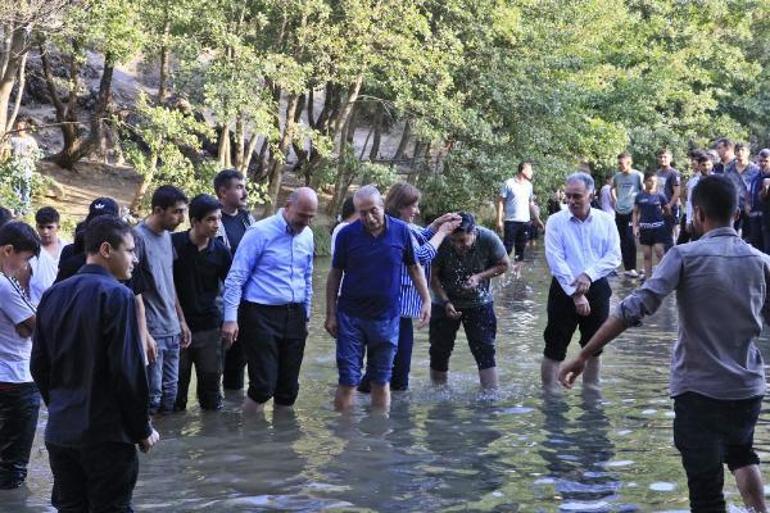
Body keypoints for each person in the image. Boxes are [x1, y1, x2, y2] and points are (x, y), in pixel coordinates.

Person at [559, 175, 768, 513]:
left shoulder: (685, 255)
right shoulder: (761, 261)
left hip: (698, 391)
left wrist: (583, 355)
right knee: (743, 453)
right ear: (738, 214)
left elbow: (633, 308)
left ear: (697, 214)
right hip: (747, 389)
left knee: (706, 494)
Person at [31, 216, 159, 511]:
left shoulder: (52, 294)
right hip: (106, 436)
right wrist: (141, 428)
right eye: (129, 250)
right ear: (105, 249)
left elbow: (38, 365)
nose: (135, 259)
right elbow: (127, 372)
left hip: (61, 433)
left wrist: (61, 406)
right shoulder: (118, 296)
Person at [325, 185, 431, 411]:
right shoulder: (347, 234)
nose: (369, 217)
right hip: (350, 317)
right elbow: (335, 274)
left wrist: (426, 300)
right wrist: (331, 314)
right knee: (348, 380)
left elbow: (414, 267)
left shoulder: (402, 231)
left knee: (381, 381)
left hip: (386, 317)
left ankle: (379, 437)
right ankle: (346, 438)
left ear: (383, 206)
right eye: (363, 213)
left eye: (373, 210)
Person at [222, 188, 317, 414]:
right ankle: (248, 437)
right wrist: (230, 319)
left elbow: (307, 277)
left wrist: (306, 314)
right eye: (302, 215)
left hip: (294, 314)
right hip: (259, 314)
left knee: (288, 389)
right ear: (288, 205)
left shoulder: (308, 235)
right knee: (263, 386)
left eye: (311, 217)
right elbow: (236, 277)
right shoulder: (259, 232)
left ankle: (281, 445)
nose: (306, 221)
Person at [359, 183, 460, 392]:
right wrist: (442, 232)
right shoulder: (396, 227)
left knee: (388, 366)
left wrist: (435, 225)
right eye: (413, 206)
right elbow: (421, 256)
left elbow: (419, 236)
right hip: (395, 310)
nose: (417, 211)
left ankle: (374, 406)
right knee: (393, 369)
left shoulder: (398, 225)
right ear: (400, 206)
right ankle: (374, 408)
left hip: (398, 310)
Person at [541, 172, 621, 392]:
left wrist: (589, 275)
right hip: (563, 289)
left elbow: (614, 256)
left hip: (597, 287)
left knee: (595, 346)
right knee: (554, 346)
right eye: (568, 196)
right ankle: (550, 396)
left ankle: (591, 393)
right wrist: (576, 293)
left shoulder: (606, 220)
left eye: (577, 196)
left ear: (591, 194)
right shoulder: (556, 221)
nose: (572, 201)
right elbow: (555, 259)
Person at [430, 212, 509, 389]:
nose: (459, 246)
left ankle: (490, 398)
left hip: (479, 303)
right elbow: (431, 275)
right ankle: (438, 393)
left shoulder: (488, 238)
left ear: (474, 233)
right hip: (443, 303)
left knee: (485, 351)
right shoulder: (441, 240)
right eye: (455, 241)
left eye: (464, 241)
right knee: (439, 352)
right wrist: (445, 302)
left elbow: (504, 264)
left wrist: (479, 277)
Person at [172, 195, 232, 411]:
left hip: (209, 328)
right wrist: (178, 321)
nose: (217, 225)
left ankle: (211, 441)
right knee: (175, 393)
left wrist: (231, 321)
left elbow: (232, 288)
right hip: (177, 329)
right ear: (195, 221)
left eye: (219, 219)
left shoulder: (222, 252)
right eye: (210, 220)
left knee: (211, 394)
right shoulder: (173, 245)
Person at [134, 185, 189, 414]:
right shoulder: (137, 237)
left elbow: (169, 279)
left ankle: (169, 447)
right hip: (153, 330)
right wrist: (144, 333)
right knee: (152, 396)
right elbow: (133, 288)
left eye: (183, 211)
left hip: (172, 327)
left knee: (170, 393)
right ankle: (151, 445)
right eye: (177, 212)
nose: (182, 218)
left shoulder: (167, 237)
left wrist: (182, 320)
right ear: (158, 210)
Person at [0, 221, 40, 489]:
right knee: (13, 470)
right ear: (8, 250)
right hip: (16, 380)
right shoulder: (3, 284)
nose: (24, 267)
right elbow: (38, 324)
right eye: (24, 260)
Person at [213, 169, 255, 392]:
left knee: (240, 362)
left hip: (247, 302)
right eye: (239, 187)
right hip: (220, 303)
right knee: (216, 363)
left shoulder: (248, 219)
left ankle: (233, 413)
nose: (245, 193)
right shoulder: (212, 221)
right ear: (223, 192)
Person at [496, 161, 544, 263]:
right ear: (523, 170)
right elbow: (500, 202)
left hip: (525, 222)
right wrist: (499, 220)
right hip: (511, 221)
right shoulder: (509, 183)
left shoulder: (529, 186)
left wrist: (537, 219)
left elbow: (530, 204)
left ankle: (517, 275)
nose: (532, 172)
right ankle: (500, 271)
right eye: (530, 170)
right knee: (507, 248)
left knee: (521, 250)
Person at [611, 152, 643, 278]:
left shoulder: (637, 175)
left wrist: (639, 209)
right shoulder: (617, 176)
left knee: (630, 238)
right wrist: (615, 200)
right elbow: (611, 188)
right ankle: (627, 268)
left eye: (621, 163)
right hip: (619, 211)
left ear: (629, 162)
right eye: (618, 163)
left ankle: (633, 267)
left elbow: (643, 190)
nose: (619, 166)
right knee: (622, 240)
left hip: (632, 211)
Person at [632, 172, 669, 279]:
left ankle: (663, 277)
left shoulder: (660, 195)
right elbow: (635, 212)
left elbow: (667, 210)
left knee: (659, 252)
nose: (652, 183)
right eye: (650, 181)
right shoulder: (639, 196)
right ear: (644, 182)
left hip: (658, 228)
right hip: (645, 228)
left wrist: (662, 218)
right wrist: (635, 227)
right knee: (647, 255)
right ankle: (648, 279)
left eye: (655, 181)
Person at [28, 207, 67, 302]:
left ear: (58, 227)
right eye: (41, 227)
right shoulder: (30, 251)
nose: (45, 232)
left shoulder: (68, 248)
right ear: (36, 227)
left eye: (49, 227)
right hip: (37, 306)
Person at [725, 142, 760, 237]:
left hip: (749, 207)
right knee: (730, 234)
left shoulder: (755, 170)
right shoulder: (729, 168)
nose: (740, 153)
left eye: (742, 150)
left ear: (748, 152)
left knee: (748, 236)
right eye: (737, 150)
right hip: (733, 206)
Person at [8, 120, 39, 215]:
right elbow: (8, 151)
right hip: (15, 165)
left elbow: (36, 152)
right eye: (17, 127)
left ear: (25, 129)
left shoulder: (30, 140)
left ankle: (25, 209)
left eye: (21, 128)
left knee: (26, 187)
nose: (19, 129)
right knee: (15, 187)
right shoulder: (13, 139)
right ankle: (16, 209)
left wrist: (30, 156)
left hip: (26, 165)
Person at [655, 148, 681, 249]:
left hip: (670, 209)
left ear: (670, 158)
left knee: (668, 237)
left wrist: (668, 206)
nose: (662, 159)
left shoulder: (673, 173)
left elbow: (677, 192)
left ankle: (671, 260)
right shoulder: (657, 173)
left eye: (665, 157)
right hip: (658, 208)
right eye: (660, 157)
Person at [748, 149, 770, 252]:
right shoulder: (755, 178)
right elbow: (750, 194)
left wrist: (766, 189)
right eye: (760, 161)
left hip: (767, 218)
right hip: (756, 218)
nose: (763, 163)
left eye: (766, 161)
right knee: (757, 248)